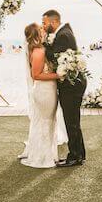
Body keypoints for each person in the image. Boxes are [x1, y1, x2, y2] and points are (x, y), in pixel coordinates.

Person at [43, 9, 87, 167]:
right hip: (72, 83)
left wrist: (43, 44)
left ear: (54, 22)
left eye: (45, 23)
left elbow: (53, 56)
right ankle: (79, 154)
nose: (44, 26)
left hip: (71, 85)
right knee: (73, 120)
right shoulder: (65, 32)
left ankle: (74, 156)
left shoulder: (63, 35)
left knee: (71, 121)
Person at [20, 23, 61, 168]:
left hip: (48, 89)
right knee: (45, 122)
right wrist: (57, 75)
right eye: (41, 29)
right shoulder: (38, 52)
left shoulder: (40, 49)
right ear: (37, 34)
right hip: (44, 91)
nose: (44, 31)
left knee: (47, 122)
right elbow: (36, 75)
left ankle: (46, 154)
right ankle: (42, 158)